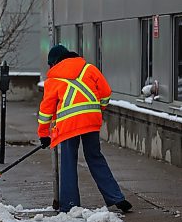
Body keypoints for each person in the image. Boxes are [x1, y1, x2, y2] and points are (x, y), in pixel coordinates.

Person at [37, 44, 132, 213]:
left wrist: (44, 134)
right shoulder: (89, 68)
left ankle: (69, 205)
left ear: (55, 62)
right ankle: (117, 198)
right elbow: (106, 93)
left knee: (68, 162)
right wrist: (97, 111)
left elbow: (46, 110)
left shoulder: (53, 80)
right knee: (95, 157)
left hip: (68, 125)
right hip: (91, 121)